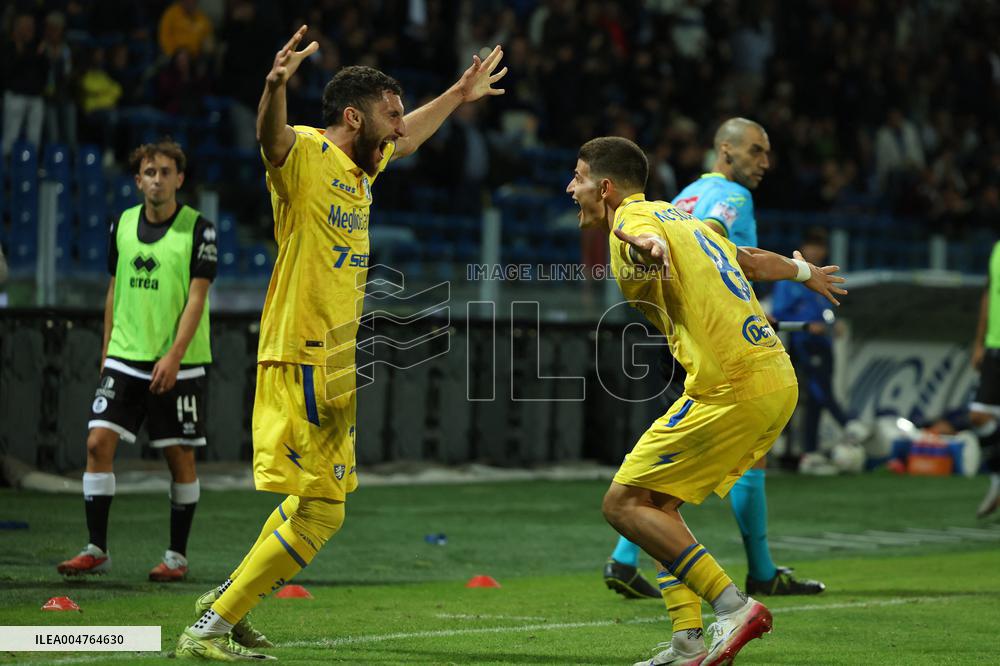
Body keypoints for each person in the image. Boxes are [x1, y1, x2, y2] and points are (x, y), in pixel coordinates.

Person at [174, 26, 507, 661]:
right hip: (301, 350)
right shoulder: (306, 152)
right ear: (354, 116)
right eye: (392, 113)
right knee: (324, 512)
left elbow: (410, 139)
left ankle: (226, 605)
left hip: (332, 358)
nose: (401, 126)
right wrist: (274, 86)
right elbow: (270, 138)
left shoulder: (362, 168)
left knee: (311, 501)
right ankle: (210, 628)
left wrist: (458, 95)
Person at [567, 136, 845, 665]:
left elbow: (643, 241)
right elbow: (749, 259)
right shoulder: (684, 219)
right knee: (658, 508)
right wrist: (806, 272)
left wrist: (646, 249)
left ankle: (734, 606)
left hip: (732, 384)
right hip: (770, 377)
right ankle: (687, 641)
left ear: (604, 188)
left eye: (577, 177)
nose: (569, 188)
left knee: (622, 504)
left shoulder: (634, 222)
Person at [605, 119, 825, 599]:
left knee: (677, 461)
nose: (765, 162)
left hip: (679, 331)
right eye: (756, 151)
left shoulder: (685, 193)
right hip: (715, 341)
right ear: (726, 149)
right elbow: (712, 240)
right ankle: (751, 579)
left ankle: (627, 558)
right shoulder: (733, 196)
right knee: (730, 461)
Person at [56, 140, 217, 583]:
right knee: (97, 443)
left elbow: (198, 299)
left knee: (179, 458)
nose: (157, 180)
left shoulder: (199, 230)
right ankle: (96, 549)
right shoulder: (122, 223)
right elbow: (114, 288)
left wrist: (174, 355)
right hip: (125, 356)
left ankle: (176, 557)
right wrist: (107, 351)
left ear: (179, 179)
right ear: (138, 180)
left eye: (165, 172)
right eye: (150, 172)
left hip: (179, 361)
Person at [771, 227, 853, 472]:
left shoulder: (821, 276)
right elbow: (779, 313)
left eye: (821, 247)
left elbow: (826, 313)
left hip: (823, 344)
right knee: (811, 394)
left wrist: (833, 325)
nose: (817, 251)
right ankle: (848, 425)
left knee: (816, 399)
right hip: (800, 344)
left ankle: (810, 452)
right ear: (804, 248)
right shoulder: (790, 275)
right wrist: (808, 326)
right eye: (812, 246)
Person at [970, 240, 1000, 518]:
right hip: (995, 346)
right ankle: (997, 480)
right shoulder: (997, 249)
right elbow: (989, 294)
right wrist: (979, 342)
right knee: (979, 415)